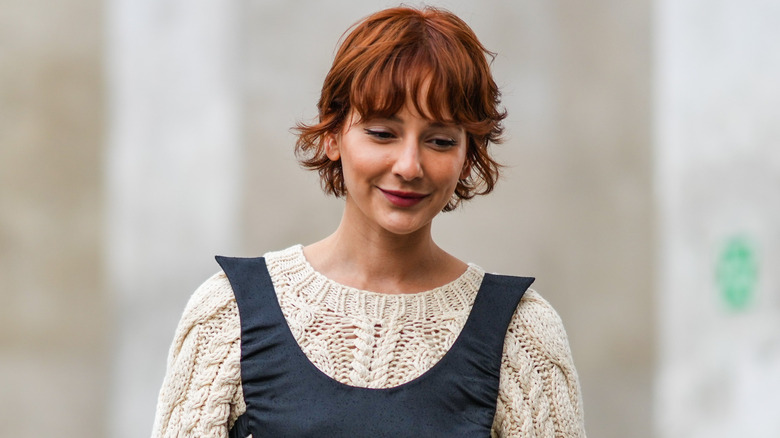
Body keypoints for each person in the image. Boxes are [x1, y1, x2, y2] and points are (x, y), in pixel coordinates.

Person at [152, 5, 585, 437]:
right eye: (382, 133)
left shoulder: (522, 333)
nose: (409, 165)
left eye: (439, 140)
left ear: (466, 156)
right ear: (332, 135)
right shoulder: (229, 315)